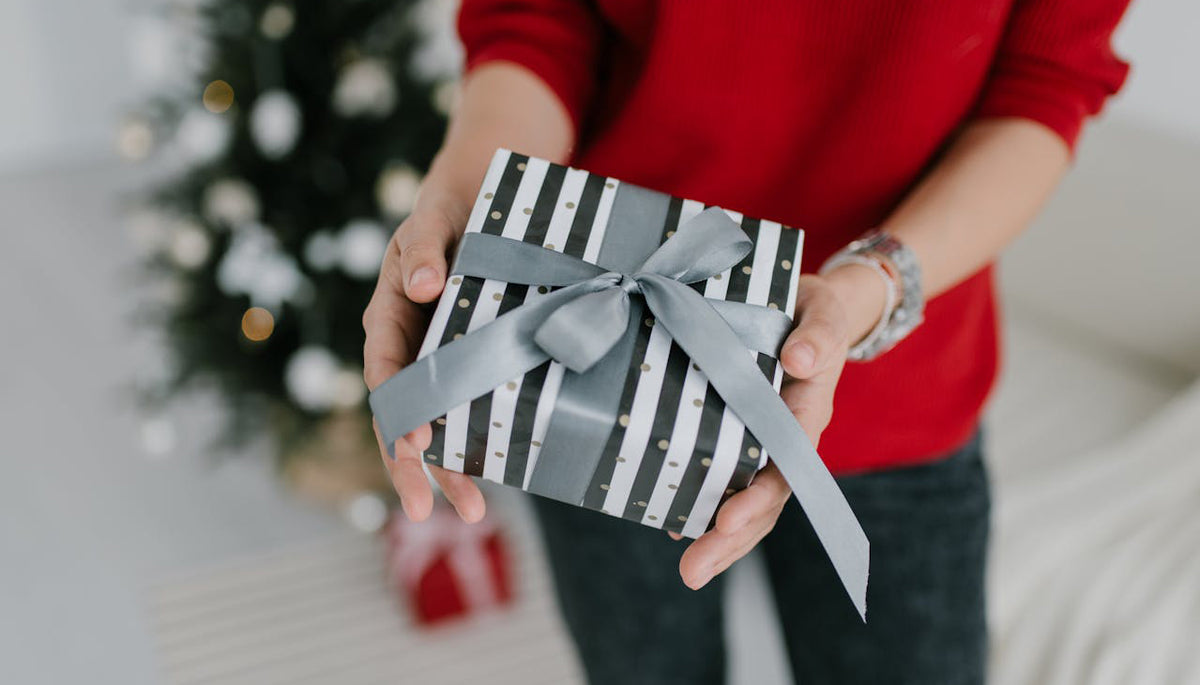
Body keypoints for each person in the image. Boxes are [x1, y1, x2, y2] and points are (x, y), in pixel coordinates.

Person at [362, 1, 1131, 682]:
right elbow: (538, 21)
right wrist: (466, 208)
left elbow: (1046, 79)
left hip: (896, 393)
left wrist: (871, 287)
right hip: (589, 366)